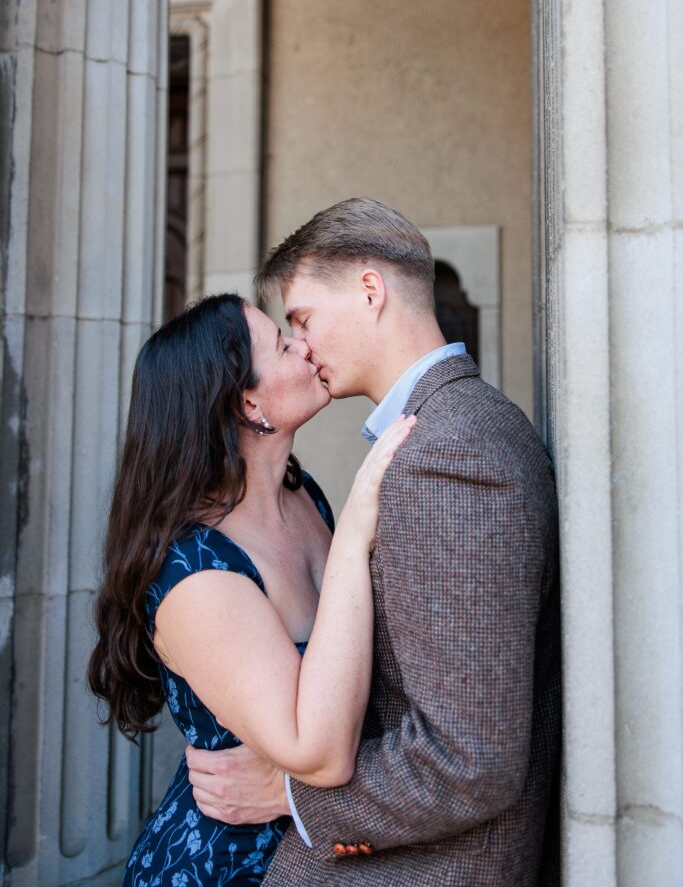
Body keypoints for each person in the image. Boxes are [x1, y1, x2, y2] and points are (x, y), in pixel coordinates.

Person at [185, 198, 561, 886]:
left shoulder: (449, 453)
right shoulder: (448, 432)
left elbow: (469, 759)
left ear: (369, 290)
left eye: (301, 318)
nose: (301, 345)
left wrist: (289, 796)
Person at [87, 292, 415, 887]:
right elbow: (319, 750)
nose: (304, 345)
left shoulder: (300, 491)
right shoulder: (197, 571)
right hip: (228, 868)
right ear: (247, 402)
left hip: (320, 853)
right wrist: (353, 538)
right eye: (282, 343)